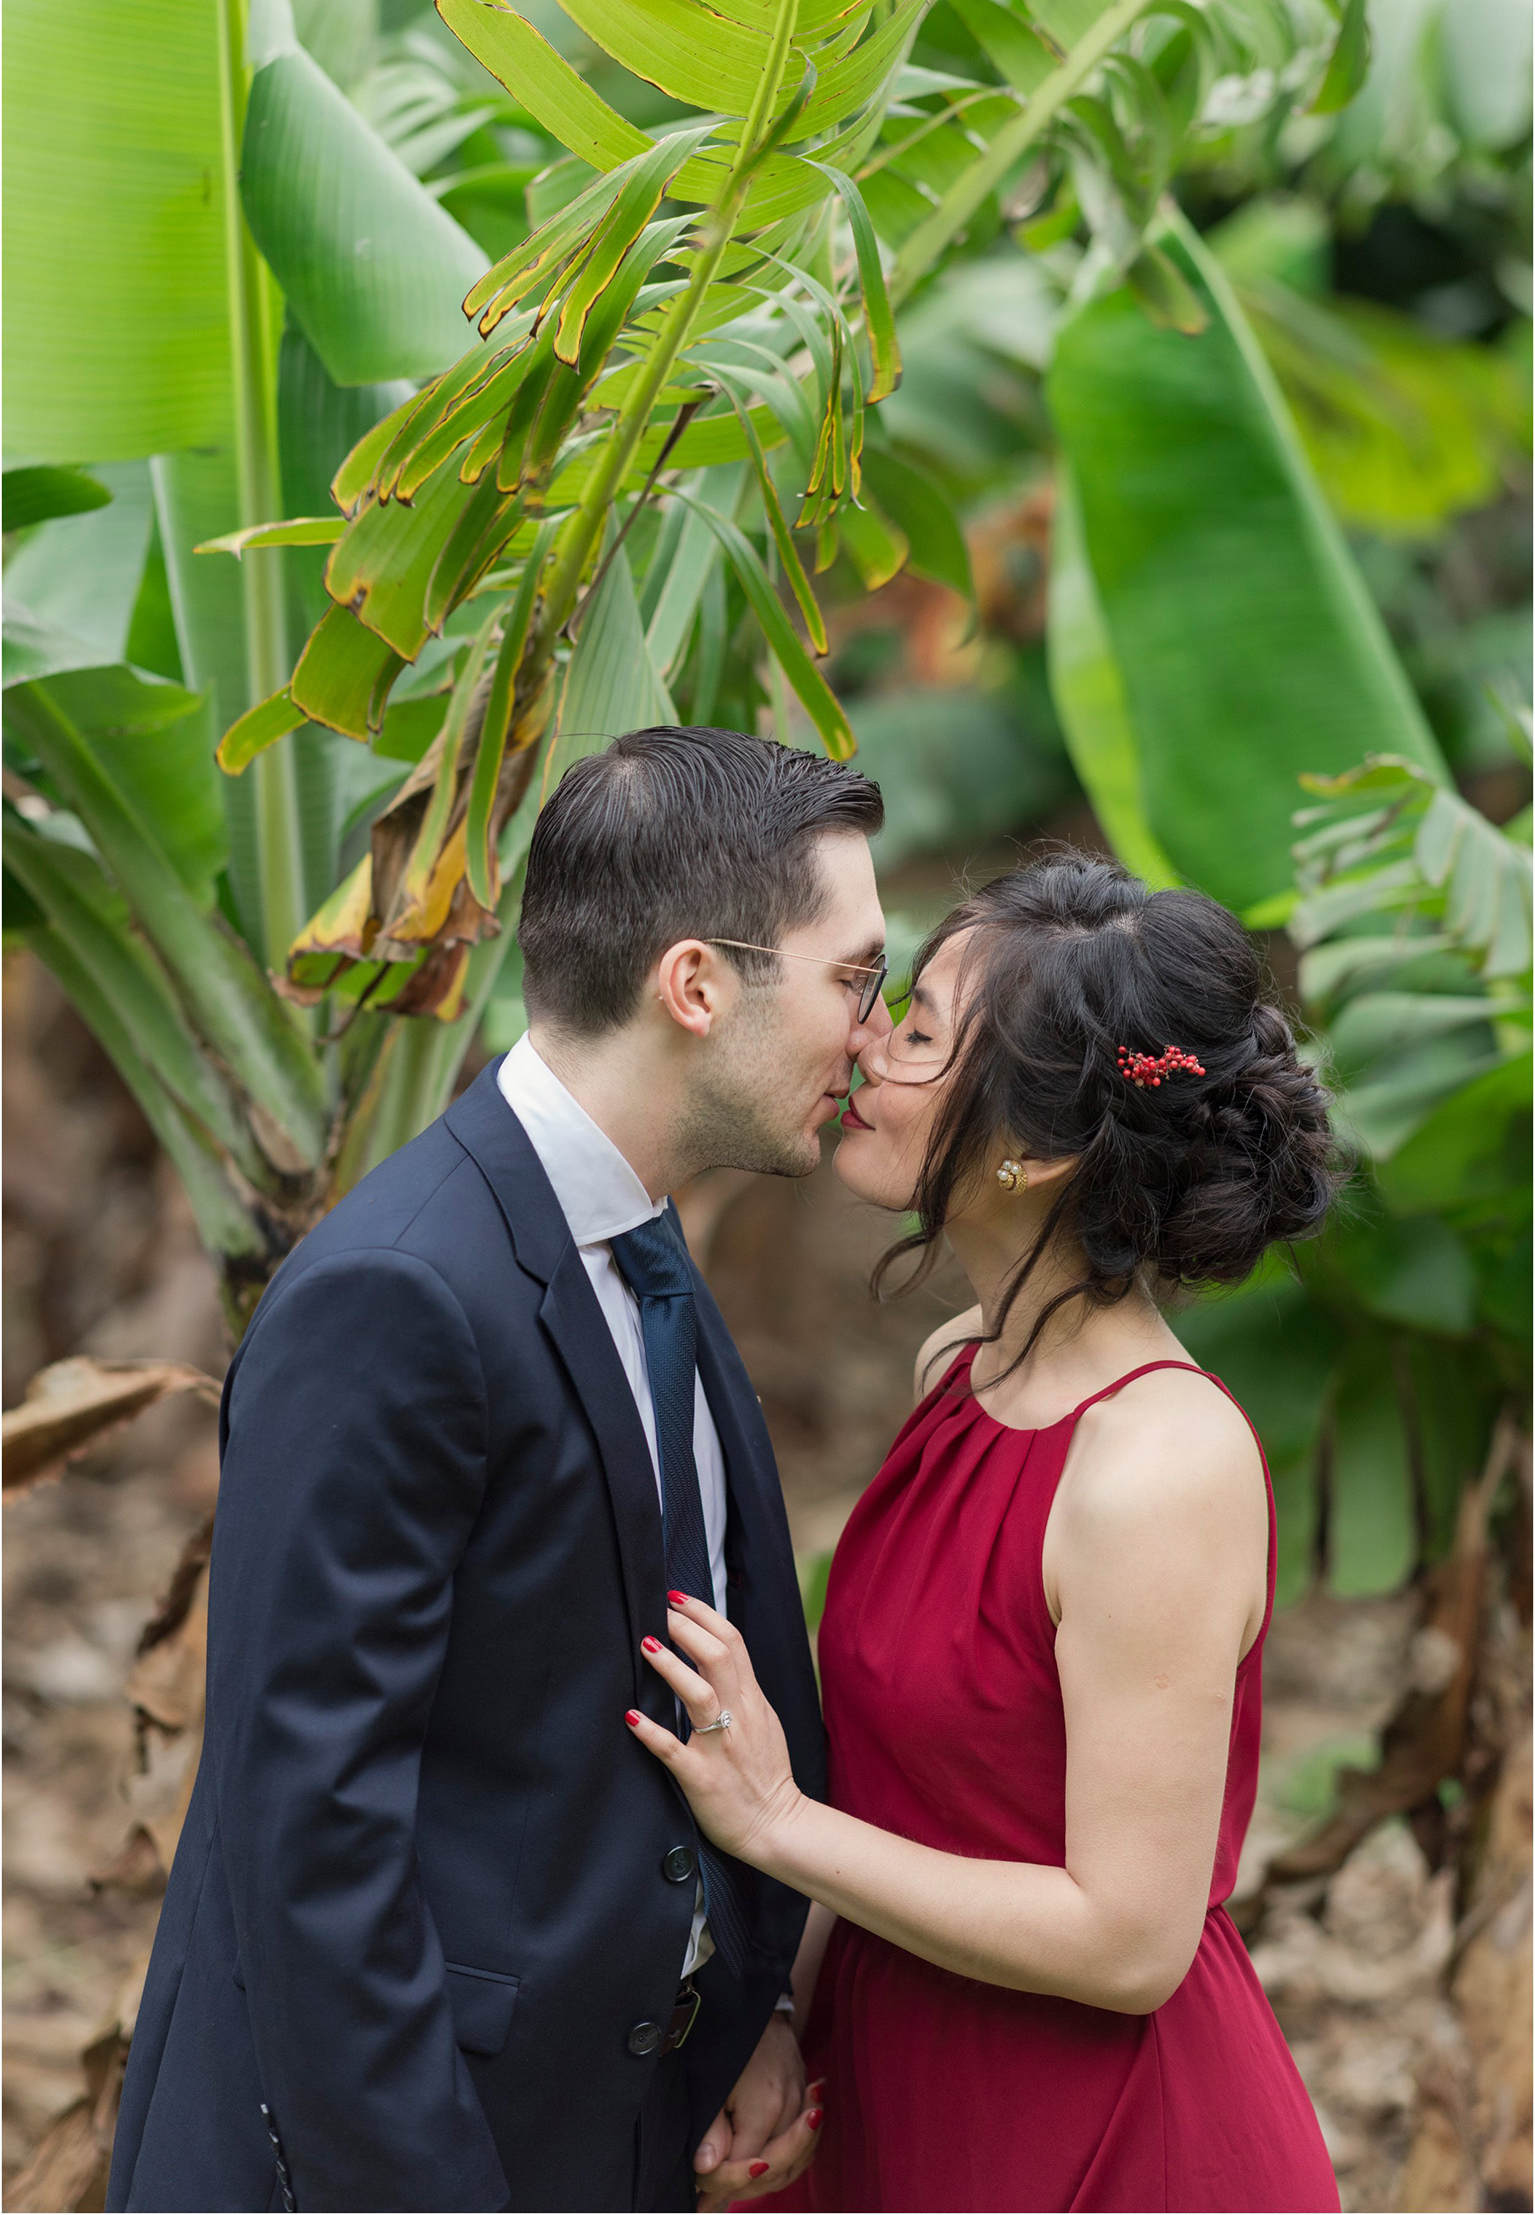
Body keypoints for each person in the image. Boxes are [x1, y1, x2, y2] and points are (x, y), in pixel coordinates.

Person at [107, 729, 892, 2215]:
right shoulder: (398, 1296)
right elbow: (312, 1838)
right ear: (698, 985)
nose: (874, 1029)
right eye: (852, 978)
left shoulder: (643, 1252)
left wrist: (747, 2013)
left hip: (608, 2131)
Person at [622, 852, 1345, 2215]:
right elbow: (913, 1792)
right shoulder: (962, 1370)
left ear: (1043, 1148)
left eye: (919, 1031)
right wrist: (777, 2016)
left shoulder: (1159, 1466)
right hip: (894, 2068)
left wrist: (775, 1822)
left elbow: (1131, 1941)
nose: (865, 1048)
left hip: (1104, 2137)